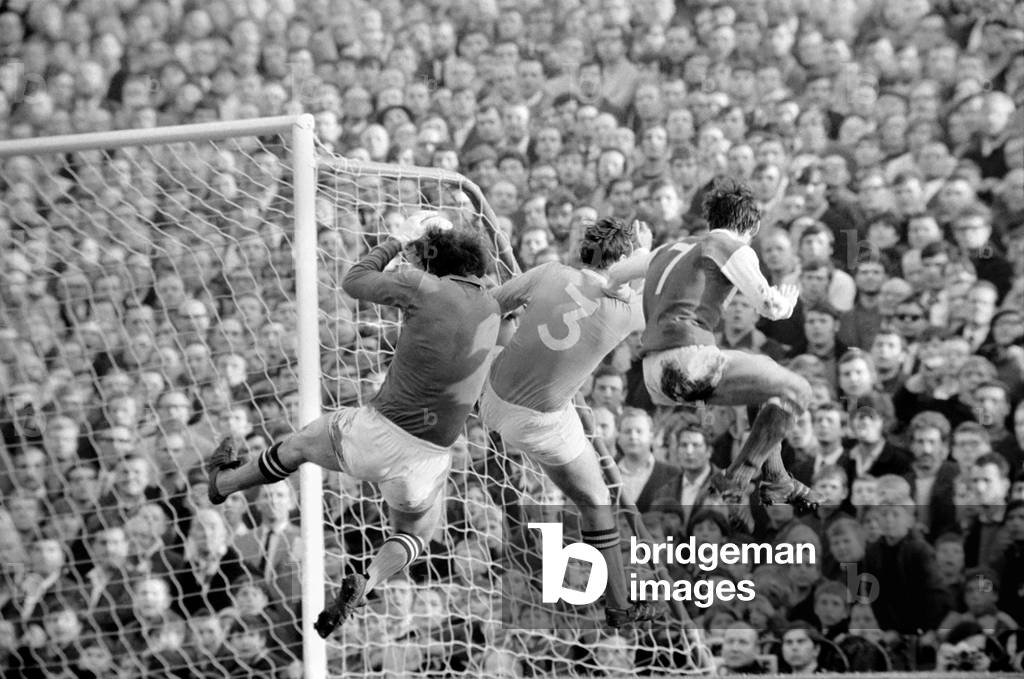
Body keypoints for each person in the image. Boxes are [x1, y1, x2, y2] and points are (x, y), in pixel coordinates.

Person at [206, 212, 502, 634]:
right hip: (430, 456)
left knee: (299, 445)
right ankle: (369, 581)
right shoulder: (493, 306)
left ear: (432, 261)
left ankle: (224, 484)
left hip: (378, 431)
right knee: (417, 533)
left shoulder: (422, 285)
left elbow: (354, 280)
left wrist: (397, 239)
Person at [481, 217, 657, 627]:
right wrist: (646, 252)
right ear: (624, 262)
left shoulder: (549, 271)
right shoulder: (625, 310)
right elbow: (645, 291)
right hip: (539, 422)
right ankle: (619, 605)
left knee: (504, 322)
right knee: (596, 501)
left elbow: (490, 307)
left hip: (490, 396)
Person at [605, 178, 822, 509]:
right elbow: (770, 307)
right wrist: (788, 300)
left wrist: (640, 253)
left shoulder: (670, 249)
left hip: (654, 374)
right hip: (689, 360)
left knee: (767, 375)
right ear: (754, 227)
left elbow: (615, 275)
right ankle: (737, 478)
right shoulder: (733, 247)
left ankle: (776, 477)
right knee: (800, 390)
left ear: (712, 219)